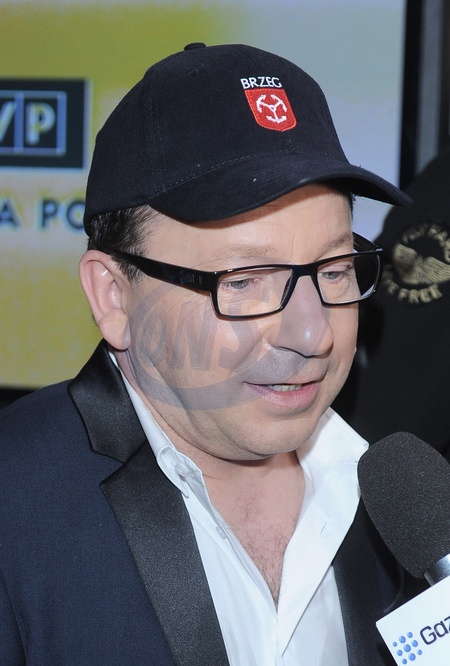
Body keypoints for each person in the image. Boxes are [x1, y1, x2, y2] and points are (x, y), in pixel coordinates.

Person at [0, 43, 422, 665]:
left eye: (334, 270)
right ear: (114, 296)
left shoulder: (405, 507)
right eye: (245, 281)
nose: (313, 335)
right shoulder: (15, 506)